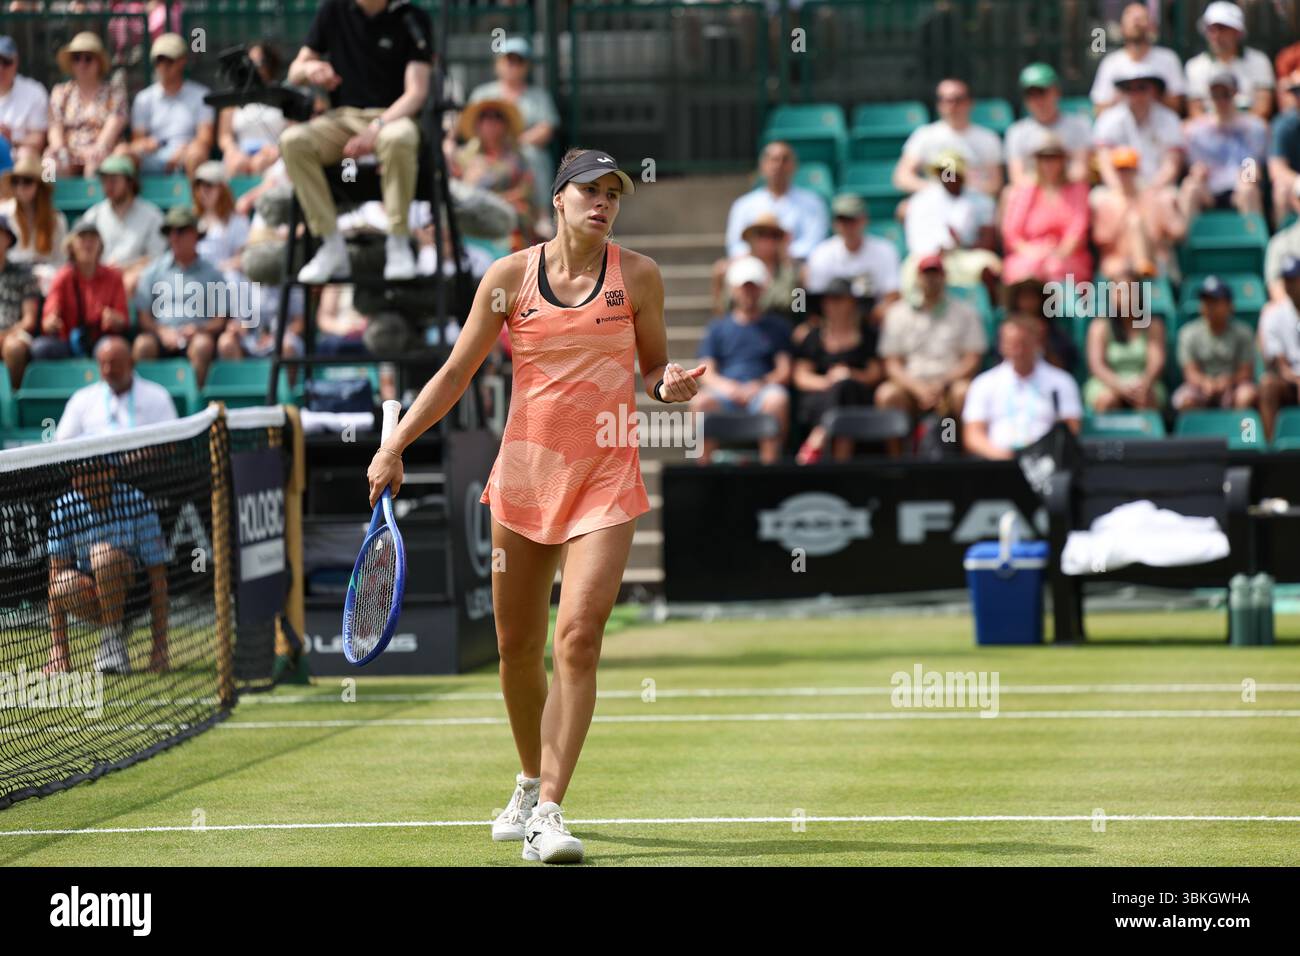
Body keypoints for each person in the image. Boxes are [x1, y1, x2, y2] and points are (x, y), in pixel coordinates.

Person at [364, 148, 703, 865]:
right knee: (516, 648)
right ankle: (527, 780)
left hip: (606, 480)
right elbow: (457, 372)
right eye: (590, 190)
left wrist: (670, 386)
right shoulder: (508, 279)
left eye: (614, 193)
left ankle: (550, 809)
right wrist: (395, 445)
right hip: (521, 480)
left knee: (575, 638)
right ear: (558, 198)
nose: (603, 202)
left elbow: (652, 370)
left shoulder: (638, 276)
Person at [281, 0, 435, 283]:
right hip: (341, 118)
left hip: (394, 118)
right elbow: (295, 71)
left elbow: (416, 93)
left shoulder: (412, 18)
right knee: (293, 141)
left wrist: (377, 127)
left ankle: (398, 242)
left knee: (398, 138)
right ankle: (330, 243)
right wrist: (311, 69)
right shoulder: (332, 10)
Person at [44, 439, 171, 676]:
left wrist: (160, 647)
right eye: (76, 472)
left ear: (110, 472)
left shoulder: (136, 502)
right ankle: (112, 636)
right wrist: (58, 650)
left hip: (134, 594)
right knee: (62, 584)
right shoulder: (65, 507)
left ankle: (112, 642)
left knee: (102, 555)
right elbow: (54, 578)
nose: (79, 481)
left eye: (88, 472)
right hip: (91, 593)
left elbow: (158, 579)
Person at [691, 254, 792, 464]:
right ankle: (702, 471)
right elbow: (706, 371)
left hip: (761, 392)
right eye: (744, 287)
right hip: (726, 393)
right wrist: (728, 387)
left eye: (754, 287)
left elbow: (784, 371)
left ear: (763, 289)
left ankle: (770, 469)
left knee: (777, 400)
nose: (749, 292)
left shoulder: (777, 326)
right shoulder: (717, 327)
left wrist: (758, 385)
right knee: (700, 402)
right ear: (733, 290)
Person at [466, 37, 560, 238]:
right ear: (497, 64)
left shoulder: (538, 96)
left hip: (517, 161)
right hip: (487, 156)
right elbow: (467, 126)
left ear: (527, 66)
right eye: (509, 60)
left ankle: (542, 215)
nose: (513, 66)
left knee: (532, 155)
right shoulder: (482, 93)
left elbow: (546, 128)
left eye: (519, 61)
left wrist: (514, 145)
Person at [875, 254, 986, 423]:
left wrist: (943, 383)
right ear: (918, 278)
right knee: (887, 395)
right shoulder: (897, 313)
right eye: (927, 274)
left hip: (950, 384)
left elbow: (972, 358)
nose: (931, 279)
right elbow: (892, 363)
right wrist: (917, 388)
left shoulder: (965, 312)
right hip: (910, 386)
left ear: (945, 277)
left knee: (964, 392)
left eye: (936, 274)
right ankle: (897, 450)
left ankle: (965, 445)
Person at [132, 206, 229, 385]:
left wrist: (198, 329)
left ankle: (195, 404)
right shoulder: (153, 271)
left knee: (202, 346)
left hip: (196, 336)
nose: (174, 237)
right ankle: (143, 404)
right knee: (142, 345)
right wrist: (161, 331)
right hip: (161, 336)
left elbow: (220, 319)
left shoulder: (213, 273)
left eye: (181, 231)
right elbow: (144, 316)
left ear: (194, 234)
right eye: (171, 231)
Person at [962, 315, 1082, 460]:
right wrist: (1004, 456)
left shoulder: (1062, 382)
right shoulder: (983, 383)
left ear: (1037, 343)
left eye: (1022, 344)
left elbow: (1071, 428)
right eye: (1010, 344)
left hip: (1046, 464)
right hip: (996, 465)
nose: (1017, 351)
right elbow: (973, 434)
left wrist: (1042, 454)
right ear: (1001, 345)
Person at [792, 277, 882, 464]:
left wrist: (851, 375)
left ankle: (819, 438)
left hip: (858, 397)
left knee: (846, 389)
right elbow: (801, 376)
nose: (834, 305)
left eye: (840, 299)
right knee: (840, 391)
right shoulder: (813, 336)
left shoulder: (867, 335)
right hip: (820, 398)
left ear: (852, 303)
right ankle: (837, 457)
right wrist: (829, 381)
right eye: (830, 300)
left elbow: (875, 373)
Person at [116, 33, 214, 177]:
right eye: (159, 60)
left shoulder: (201, 95)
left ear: (182, 61)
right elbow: (138, 139)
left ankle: (196, 199)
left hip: (187, 155)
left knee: (197, 153)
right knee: (122, 152)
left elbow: (205, 139)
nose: (163, 66)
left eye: (169, 60)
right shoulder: (143, 98)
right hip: (151, 157)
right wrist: (146, 144)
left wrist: (185, 149)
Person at [901, 149, 999, 293]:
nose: (948, 176)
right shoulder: (921, 200)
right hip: (927, 255)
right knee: (912, 270)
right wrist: (936, 250)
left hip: (964, 255)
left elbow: (987, 241)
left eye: (952, 172)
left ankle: (988, 310)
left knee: (988, 266)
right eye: (944, 171)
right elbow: (915, 237)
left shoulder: (981, 201)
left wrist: (961, 245)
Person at [1000, 132, 1091, 285]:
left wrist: (1058, 253)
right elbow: (1012, 233)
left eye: (1054, 157)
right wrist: (1031, 253)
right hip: (1029, 255)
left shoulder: (1077, 189)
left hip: (1067, 256)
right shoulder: (1026, 189)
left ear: (1062, 161)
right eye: (1043, 158)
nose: (1049, 163)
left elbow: (1078, 231)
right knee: (1025, 272)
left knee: (1056, 269)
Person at [1178, 70, 1268, 219]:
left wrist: (1247, 177)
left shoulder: (1254, 127)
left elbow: (1254, 166)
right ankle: (1185, 240)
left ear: (1235, 94)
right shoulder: (1194, 130)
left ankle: (1254, 238)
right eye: (1215, 95)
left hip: (1239, 188)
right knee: (1190, 188)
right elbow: (1194, 166)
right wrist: (1197, 172)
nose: (1220, 101)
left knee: (1248, 190)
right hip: (1209, 190)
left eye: (1225, 95)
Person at [35, 219, 128, 361]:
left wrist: (113, 319)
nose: (88, 244)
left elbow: (123, 320)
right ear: (71, 245)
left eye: (92, 239)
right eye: (82, 238)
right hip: (68, 342)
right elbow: (48, 318)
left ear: (100, 245)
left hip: (100, 340)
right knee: (41, 348)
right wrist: (52, 322)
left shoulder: (113, 277)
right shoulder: (63, 277)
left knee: (111, 350)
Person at [801, 192, 900, 326]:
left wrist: (870, 318)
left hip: (873, 322)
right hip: (831, 324)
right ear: (835, 223)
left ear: (864, 220)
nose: (848, 225)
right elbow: (813, 298)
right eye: (842, 220)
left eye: (852, 219)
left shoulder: (885, 251)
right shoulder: (821, 253)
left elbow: (892, 295)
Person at [893, 78, 1003, 197]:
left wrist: (961, 189)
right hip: (934, 203)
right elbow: (902, 177)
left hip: (973, 204)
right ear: (938, 104)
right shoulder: (924, 135)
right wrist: (938, 190)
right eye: (945, 99)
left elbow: (995, 184)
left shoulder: (988, 138)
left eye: (958, 99)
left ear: (970, 102)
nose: (952, 105)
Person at [76, 153, 166, 298]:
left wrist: (126, 270)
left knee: (131, 281)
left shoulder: (152, 216)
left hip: (135, 279)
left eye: (114, 180)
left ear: (130, 182)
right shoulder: (93, 215)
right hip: (97, 277)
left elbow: (156, 259)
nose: (108, 185)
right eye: (105, 180)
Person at [54, 333, 177, 440]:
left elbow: (171, 442)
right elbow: (62, 443)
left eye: (114, 363)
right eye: (103, 364)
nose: (108, 370)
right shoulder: (81, 399)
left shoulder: (158, 397)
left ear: (131, 363)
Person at [447, 98, 534, 247]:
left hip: (507, 215)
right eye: (485, 117)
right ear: (478, 124)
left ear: (505, 125)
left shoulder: (517, 157)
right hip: (472, 214)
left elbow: (525, 190)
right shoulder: (463, 156)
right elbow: (454, 190)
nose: (491, 122)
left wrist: (498, 201)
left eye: (497, 117)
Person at [1092, 146, 1187, 279]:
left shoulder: (1153, 198)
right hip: (1119, 262)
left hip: (1155, 259)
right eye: (1120, 170)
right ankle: (1140, 266)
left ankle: (1143, 265)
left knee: (1136, 222)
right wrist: (1125, 213)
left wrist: (1170, 206)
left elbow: (1178, 232)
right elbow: (1102, 239)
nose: (1124, 174)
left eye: (1128, 169)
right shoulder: (1106, 202)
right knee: (1133, 222)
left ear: (1136, 170)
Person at [724, 140, 828, 260]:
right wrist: (760, 255)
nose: (778, 165)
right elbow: (735, 245)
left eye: (784, 160)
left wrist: (781, 255)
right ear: (762, 166)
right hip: (753, 264)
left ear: (794, 166)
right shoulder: (743, 204)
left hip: (796, 266)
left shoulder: (813, 203)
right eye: (772, 159)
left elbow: (814, 243)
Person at [44, 32, 127, 179]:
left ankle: (93, 201)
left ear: (99, 62)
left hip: (101, 150)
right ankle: (48, 200)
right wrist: (59, 148)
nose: (82, 64)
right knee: (49, 161)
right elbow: (54, 125)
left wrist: (99, 146)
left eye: (88, 58)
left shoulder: (114, 92)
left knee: (95, 165)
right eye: (77, 58)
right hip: (68, 151)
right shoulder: (61, 92)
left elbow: (114, 123)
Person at [1093, 60, 1184, 190]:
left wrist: (1150, 193)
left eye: (1142, 87)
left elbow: (1171, 165)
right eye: (1129, 88)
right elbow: (1105, 165)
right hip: (1121, 190)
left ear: (1154, 90)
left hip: (1159, 189)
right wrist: (1122, 193)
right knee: (1099, 199)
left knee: (1169, 199)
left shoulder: (1169, 119)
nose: (1135, 94)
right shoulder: (1108, 119)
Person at [1172, 275, 1258, 412]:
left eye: (1215, 301)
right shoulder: (1188, 333)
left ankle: (1238, 431)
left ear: (1229, 305)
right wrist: (1205, 382)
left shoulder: (1243, 332)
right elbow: (1190, 372)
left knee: (1246, 395)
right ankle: (1197, 433)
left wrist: (1228, 381)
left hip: (1233, 386)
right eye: (1205, 301)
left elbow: (1246, 371)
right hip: (1200, 387)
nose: (1209, 306)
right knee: (1185, 400)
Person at [1083, 276, 1168, 412]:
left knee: (1146, 399)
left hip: (1145, 384)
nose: (1125, 296)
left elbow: (1156, 362)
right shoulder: (1099, 326)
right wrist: (1119, 386)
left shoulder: (1154, 325)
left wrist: (1144, 383)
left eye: (1129, 291)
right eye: (1119, 291)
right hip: (1107, 383)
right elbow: (1097, 366)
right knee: (1107, 400)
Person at [1089, 2, 1186, 114]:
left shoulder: (1168, 59)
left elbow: (1177, 106)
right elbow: (1098, 110)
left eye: (1141, 19)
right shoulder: (1110, 63)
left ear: (1151, 26)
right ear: (1122, 27)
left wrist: (1150, 96)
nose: (1136, 22)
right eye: (1131, 19)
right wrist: (1124, 99)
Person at [1184, 1, 1274, 121]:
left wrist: (1239, 129)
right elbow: (1195, 110)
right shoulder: (1194, 66)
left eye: (1223, 28)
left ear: (1238, 32)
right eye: (1211, 29)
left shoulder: (1259, 60)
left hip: (1248, 132)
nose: (1216, 35)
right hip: (1210, 131)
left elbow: (1263, 108)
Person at [1005, 63, 1092, 185]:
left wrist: (1054, 186)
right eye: (1030, 94)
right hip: (1033, 194)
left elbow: (1081, 171)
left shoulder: (1079, 125)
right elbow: (1017, 178)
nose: (1037, 100)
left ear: (1057, 92)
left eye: (1042, 92)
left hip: (1069, 192)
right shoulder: (1016, 131)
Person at [0, 151, 68, 294]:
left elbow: (61, 260)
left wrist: (42, 273)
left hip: (45, 282)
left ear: (39, 186)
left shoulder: (56, 219)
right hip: (11, 281)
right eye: (16, 181)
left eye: (27, 181)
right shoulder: (3, 214)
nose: (20, 187)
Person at [711, 211, 799, 319]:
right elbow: (724, 306)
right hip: (746, 327)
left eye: (773, 236)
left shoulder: (791, 270)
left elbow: (798, 307)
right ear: (752, 239)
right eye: (761, 234)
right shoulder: (739, 268)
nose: (767, 241)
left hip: (780, 328)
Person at [217, 41, 286, 176]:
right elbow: (225, 136)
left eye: (259, 62)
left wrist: (277, 151)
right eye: (249, 62)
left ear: (270, 65)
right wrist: (233, 151)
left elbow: (292, 130)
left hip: (274, 157)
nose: (253, 68)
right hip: (239, 156)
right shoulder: (232, 99)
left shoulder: (284, 95)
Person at [1258, 255, 1300, 440]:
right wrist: (1296, 380)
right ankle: (1270, 447)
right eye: (1287, 279)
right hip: (1288, 380)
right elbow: (1280, 365)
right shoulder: (1273, 314)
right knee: (1267, 384)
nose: (1291, 284)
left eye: (1295, 279)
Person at [0, 211, 39, 388]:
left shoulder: (24, 274)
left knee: (14, 348)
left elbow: (29, 320)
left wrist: (4, 335)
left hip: (14, 333)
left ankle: (13, 404)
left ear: (8, 239)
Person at [0, 34, 48, 156]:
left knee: (25, 153)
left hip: (19, 162)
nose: (1, 69)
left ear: (16, 62)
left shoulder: (34, 92)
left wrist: (11, 141)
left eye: (6, 62)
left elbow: (39, 139)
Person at [1269, 68, 1300, 225]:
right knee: (1281, 190)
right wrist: (1298, 182)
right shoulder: (1283, 124)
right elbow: (1276, 169)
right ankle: (1283, 245)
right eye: (1296, 91)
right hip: (1295, 187)